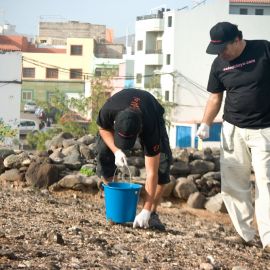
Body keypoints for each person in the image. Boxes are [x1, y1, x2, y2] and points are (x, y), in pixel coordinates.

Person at [197, 22, 270, 252]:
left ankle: (269, 240)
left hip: (265, 130)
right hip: (233, 130)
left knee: (266, 184)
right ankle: (245, 234)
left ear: (238, 39)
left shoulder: (265, 50)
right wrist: (205, 124)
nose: (221, 54)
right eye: (217, 50)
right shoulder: (219, 63)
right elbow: (215, 98)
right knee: (233, 185)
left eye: (224, 48)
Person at [96, 88, 172, 231]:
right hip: (120, 109)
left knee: (163, 165)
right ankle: (115, 207)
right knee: (103, 153)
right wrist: (116, 151)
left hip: (151, 110)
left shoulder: (150, 126)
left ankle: (152, 213)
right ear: (114, 122)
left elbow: (152, 173)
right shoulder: (108, 110)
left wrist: (146, 210)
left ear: (139, 131)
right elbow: (102, 128)